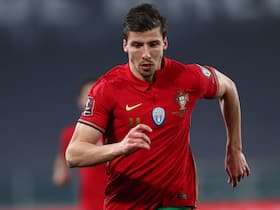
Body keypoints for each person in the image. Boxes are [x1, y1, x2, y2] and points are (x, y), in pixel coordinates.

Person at [65, 3, 250, 210]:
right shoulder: (107, 88)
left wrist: (234, 149)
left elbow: (229, 88)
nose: (146, 54)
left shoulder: (186, 77)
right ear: (125, 45)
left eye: (153, 44)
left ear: (165, 43)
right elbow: (74, 154)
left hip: (175, 201)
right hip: (127, 204)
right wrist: (121, 147)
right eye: (137, 45)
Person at [52, 78, 107, 210]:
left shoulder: (119, 130)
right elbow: (61, 174)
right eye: (89, 96)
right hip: (89, 205)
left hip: (120, 203)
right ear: (80, 101)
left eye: (98, 94)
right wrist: (61, 173)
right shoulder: (70, 134)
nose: (93, 100)